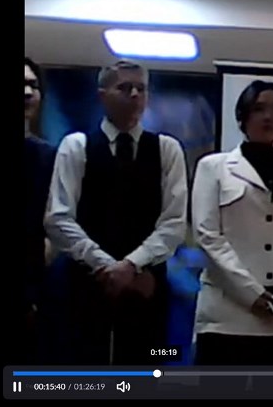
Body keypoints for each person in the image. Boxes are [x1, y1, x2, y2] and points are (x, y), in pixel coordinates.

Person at [45, 59, 188, 365]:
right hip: (85, 285)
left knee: (153, 361)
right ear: (102, 95)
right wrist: (107, 266)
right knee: (81, 366)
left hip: (147, 285)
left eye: (141, 89)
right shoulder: (76, 146)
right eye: (124, 88)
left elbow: (174, 223)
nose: (134, 94)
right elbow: (58, 218)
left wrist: (131, 266)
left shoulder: (167, 149)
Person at [192, 80, 273, 365]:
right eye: (259, 109)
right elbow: (208, 236)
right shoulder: (213, 167)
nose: (268, 117)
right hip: (226, 318)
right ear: (243, 116)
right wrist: (253, 293)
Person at [11, 57, 57, 365]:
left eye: (33, 86)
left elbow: (56, 224)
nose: (28, 93)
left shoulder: (48, 157)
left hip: (31, 296)